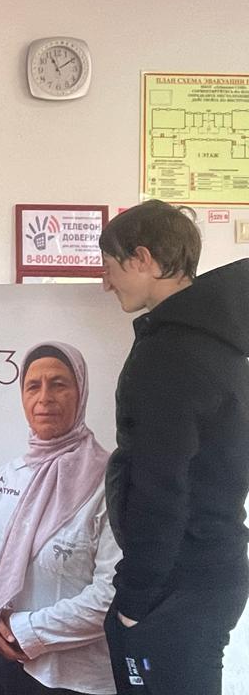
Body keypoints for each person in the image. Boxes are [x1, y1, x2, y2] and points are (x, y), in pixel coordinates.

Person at [99, 200, 249, 695]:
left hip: (176, 580)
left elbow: (161, 485)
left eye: (109, 265)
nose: (105, 283)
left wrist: (134, 599)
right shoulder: (215, 342)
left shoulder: (169, 354)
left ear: (142, 258)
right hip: (207, 568)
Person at [0, 342, 119, 695]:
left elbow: (112, 591)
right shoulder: (12, 474)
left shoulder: (109, 482)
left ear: (80, 392)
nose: (44, 398)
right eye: (32, 386)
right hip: (9, 660)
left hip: (75, 679)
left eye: (59, 384)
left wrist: (27, 631)